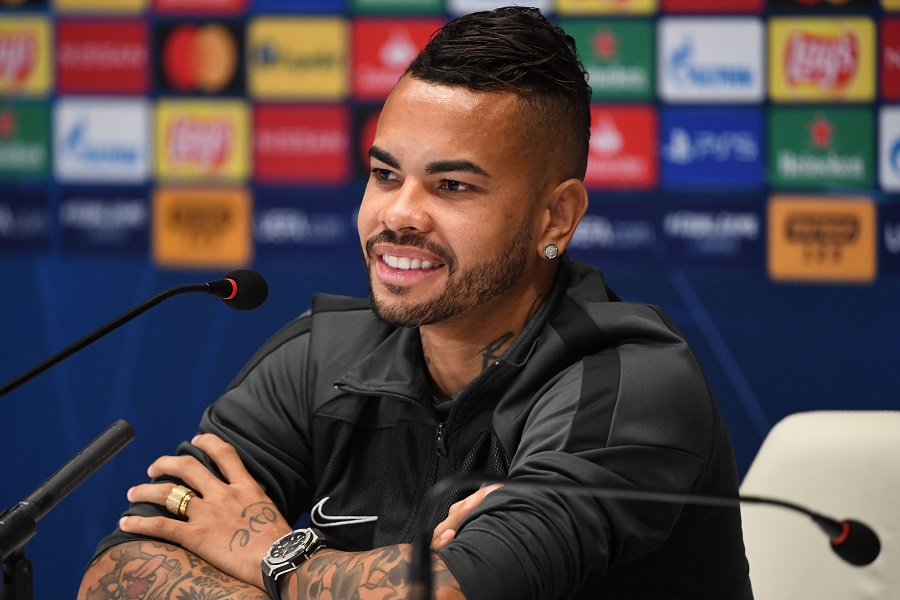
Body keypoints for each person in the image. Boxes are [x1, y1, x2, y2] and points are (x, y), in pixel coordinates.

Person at [78, 6, 752, 600]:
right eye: (384, 174)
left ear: (556, 217)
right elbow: (116, 576)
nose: (398, 214)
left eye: (452, 186)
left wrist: (269, 553)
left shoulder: (629, 384)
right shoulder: (319, 358)